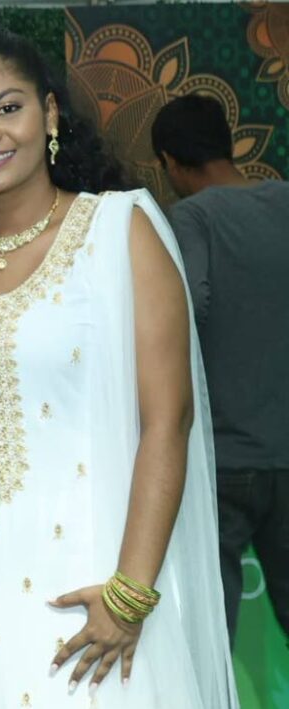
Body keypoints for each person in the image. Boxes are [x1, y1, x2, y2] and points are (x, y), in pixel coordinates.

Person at [0, 28, 237, 708]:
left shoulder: (120, 230)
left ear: (51, 114)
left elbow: (168, 418)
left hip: (94, 588)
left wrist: (130, 593)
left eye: (8, 107)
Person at [152, 94, 289, 646]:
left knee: (212, 639)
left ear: (168, 162)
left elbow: (191, 306)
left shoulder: (192, 217)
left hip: (223, 462)